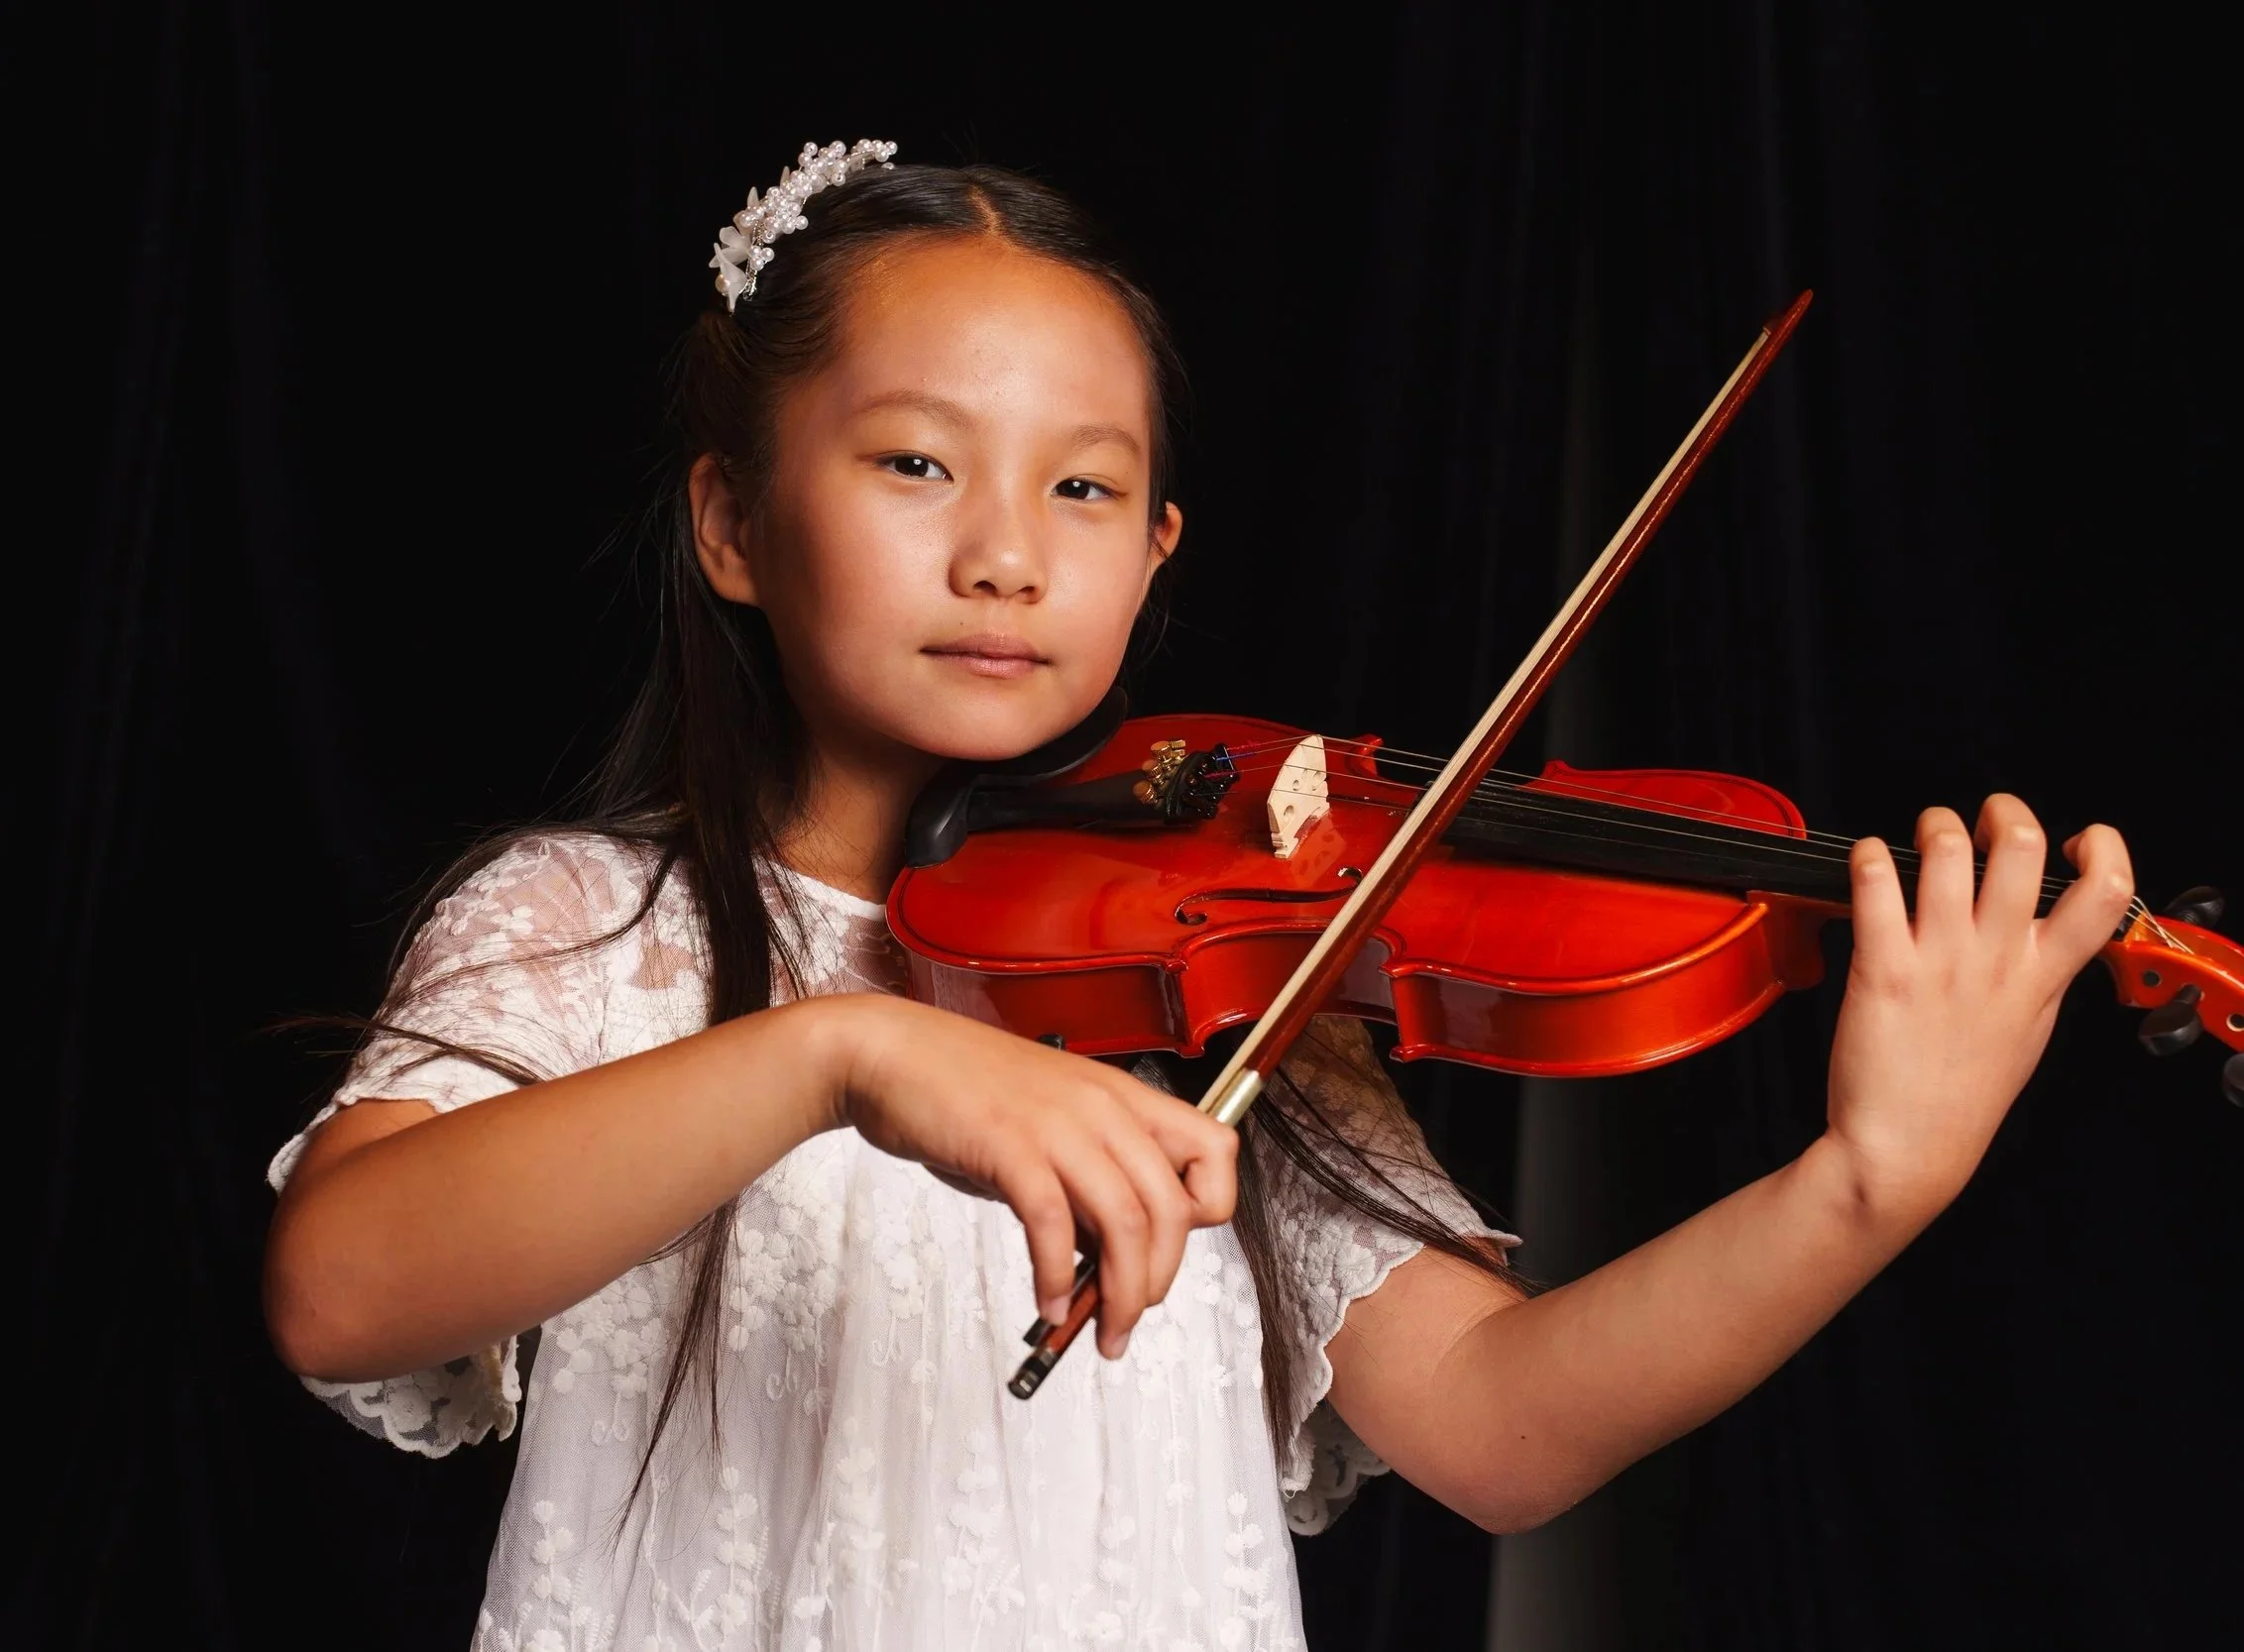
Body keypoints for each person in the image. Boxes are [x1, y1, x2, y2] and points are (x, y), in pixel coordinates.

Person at [263, 142, 2136, 1652]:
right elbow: (341, 1285)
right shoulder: (588, 924)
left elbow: (1499, 1429)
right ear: (734, 521)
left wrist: (1864, 1182)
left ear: (1157, 551)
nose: (1006, 555)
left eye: (1084, 490)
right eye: (915, 463)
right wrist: (840, 1054)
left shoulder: (1216, 982)